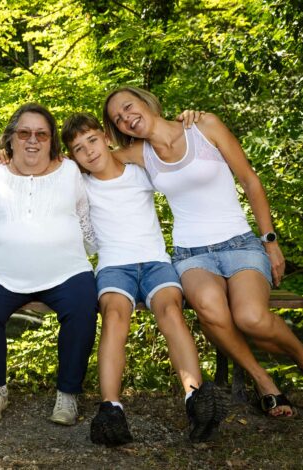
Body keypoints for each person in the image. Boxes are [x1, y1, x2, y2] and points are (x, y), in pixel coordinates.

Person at [103, 86, 303, 417]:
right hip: (191, 254)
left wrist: (269, 241)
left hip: (240, 244)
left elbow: (250, 181)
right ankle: (264, 382)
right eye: (118, 119)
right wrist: (10, 157)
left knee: (250, 317)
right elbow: (88, 155)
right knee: (210, 309)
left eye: (128, 107)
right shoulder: (139, 153)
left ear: (147, 101)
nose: (126, 118)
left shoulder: (204, 127)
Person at [61, 112, 228, 445]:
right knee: (114, 316)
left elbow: (176, 162)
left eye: (92, 140)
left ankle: (195, 399)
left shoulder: (140, 171)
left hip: (155, 262)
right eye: (79, 149)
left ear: (106, 138)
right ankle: (111, 408)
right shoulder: (79, 184)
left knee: (170, 313)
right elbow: (36, 172)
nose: (89, 151)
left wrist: (188, 123)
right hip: (113, 266)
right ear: (73, 157)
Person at [0, 103, 98, 425]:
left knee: (83, 307)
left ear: (51, 139)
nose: (32, 140)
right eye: (24, 132)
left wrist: (95, 254)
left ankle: (67, 395)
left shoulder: (69, 171)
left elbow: (85, 222)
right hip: (2, 273)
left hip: (66, 272)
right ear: (10, 138)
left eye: (41, 134)